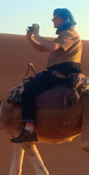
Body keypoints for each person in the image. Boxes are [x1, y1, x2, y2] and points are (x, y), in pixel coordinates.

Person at [11, 8, 82, 144]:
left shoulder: (69, 33)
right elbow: (41, 49)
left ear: (65, 19)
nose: (53, 21)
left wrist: (37, 35)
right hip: (55, 73)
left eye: (55, 18)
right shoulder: (64, 34)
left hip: (60, 75)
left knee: (28, 92)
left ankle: (29, 129)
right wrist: (30, 38)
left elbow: (53, 46)